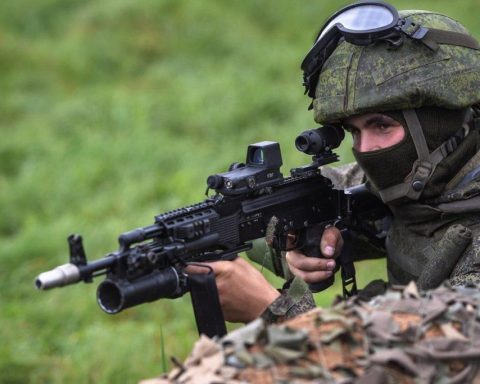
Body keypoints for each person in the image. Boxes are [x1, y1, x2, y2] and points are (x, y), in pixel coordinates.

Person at [192, 2, 480, 324]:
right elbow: (269, 221)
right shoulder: (430, 175)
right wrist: (297, 243)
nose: (365, 149)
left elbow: (422, 364)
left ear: (439, 124)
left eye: (382, 126)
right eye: (354, 131)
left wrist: (273, 310)